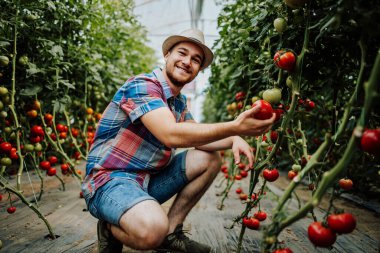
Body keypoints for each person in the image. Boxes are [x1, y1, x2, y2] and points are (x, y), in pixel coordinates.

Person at [82, 28, 275, 253]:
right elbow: (171, 134)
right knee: (152, 230)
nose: (187, 62)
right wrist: (233, 127)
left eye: (196, 60)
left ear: (199, 70)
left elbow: (199, 138)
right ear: (167, 55)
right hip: (109, 182)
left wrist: (234, 138)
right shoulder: (143, 85)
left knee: (209, 158)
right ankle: (109, 227)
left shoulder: (179, 102)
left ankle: (171, 233)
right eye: (182, 53)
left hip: (145, 182)